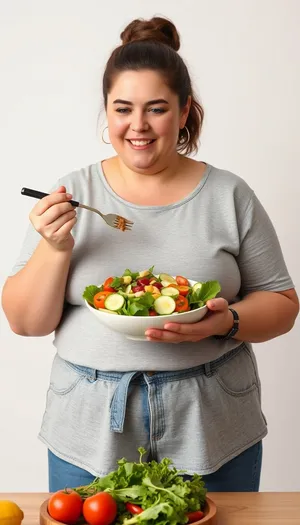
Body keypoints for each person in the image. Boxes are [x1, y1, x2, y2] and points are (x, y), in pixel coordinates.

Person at [2, 16, 299, 494]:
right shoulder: (73, 192)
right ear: (106, 113)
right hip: (90, 425)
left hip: (211, 420)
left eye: (156, 109)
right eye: (122, 108)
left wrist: (223, 322)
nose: (137, 126)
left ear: (184, 112)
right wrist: (56, 247)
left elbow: (283, 305)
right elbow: (26, 322)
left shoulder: (229, 195)